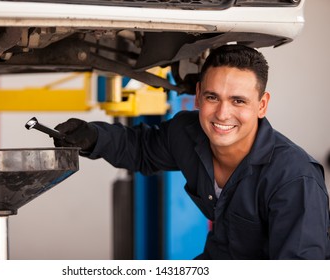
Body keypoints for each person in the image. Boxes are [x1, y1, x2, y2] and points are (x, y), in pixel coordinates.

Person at [53, 44, 330, 259]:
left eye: (238, 101)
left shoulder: (294, 180)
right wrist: (93, 137)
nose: (223, 113)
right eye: (212, 97)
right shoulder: (188, 134)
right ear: (198, 95)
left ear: (262, 105)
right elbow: (141, 148)